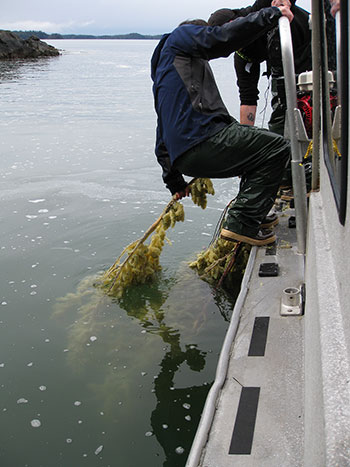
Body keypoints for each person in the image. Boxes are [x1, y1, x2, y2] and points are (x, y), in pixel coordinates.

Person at [151, 6, 292, 246]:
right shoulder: (180, 37)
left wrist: (174, 181)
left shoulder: (165, 74)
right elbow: (221, 39)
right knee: (277, 147)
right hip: (204, 140)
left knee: (254, 149)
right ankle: (242, 221)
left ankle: (256, 213)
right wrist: (272, 15)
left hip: (185, 157)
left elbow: (161, 134)